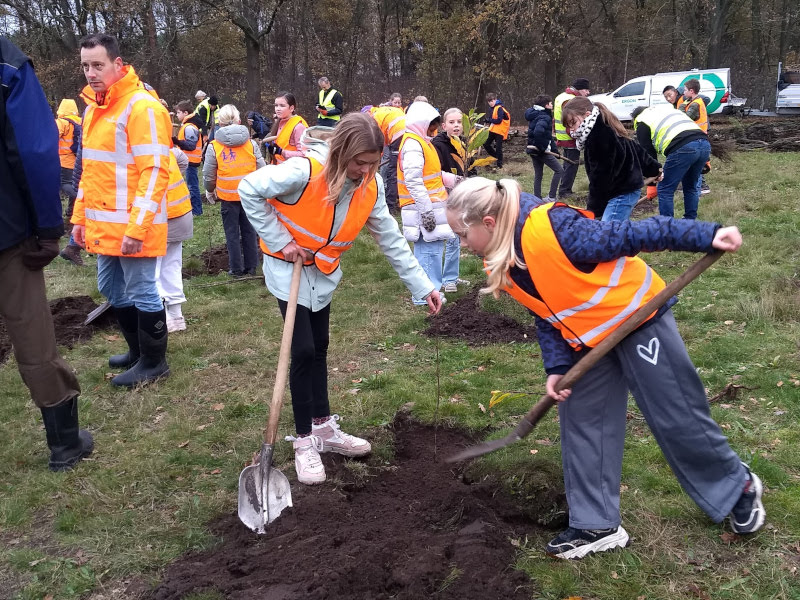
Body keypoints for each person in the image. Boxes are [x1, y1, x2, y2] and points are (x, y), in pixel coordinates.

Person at [445, 176, 765, 559]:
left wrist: (705, 234)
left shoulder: (555, 228)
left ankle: (736, 487)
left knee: (675, 412)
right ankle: (595, 523)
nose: (463, 246)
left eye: (463, 235)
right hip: (586, 341)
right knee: (582, 418)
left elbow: (634, 234)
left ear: (489, 222)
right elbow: (547, 311)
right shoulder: (504, 255)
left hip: (637, 319)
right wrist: (557, 366)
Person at [239, 112, 443, 484]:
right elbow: (249, 188)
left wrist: (422, 286)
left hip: (324, 273)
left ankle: (323, 429)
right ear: (341, 152)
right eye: (359, 163)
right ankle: (303, 441)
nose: (365, 171)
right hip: (289, 271)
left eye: (372, 163)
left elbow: (392, 239)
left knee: (319, 346)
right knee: (300, 350)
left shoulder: (372, 186)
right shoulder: (303, 171)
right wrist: (282, 241)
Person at [1, 37, 93, 471]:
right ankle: (65, 442)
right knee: (33, 336)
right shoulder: (5, 60)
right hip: (7, 233)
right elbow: (33, 149)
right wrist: (47, 227)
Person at [72, 32, 172, 388]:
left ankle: (154, 362)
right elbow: (92, 171)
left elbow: (155, 171)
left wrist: (137, 228)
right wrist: (80, 218)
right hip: (104, 224)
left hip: (133, 225)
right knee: (111, 288)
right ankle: (136, 352)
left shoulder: (142, 107)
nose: (90, 72)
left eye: (97, 65)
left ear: (117, 64)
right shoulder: (94, 108)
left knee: (143, 290)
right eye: (85, 65)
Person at [398, 101, 461, 305]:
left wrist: (456, 181)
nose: (433, 130)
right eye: (431, 126)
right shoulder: (413, 145)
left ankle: (429, 291)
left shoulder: (421, 143)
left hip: (430, 206)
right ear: (421, 123)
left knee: (432, 251)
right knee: (427, 252)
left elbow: (432, 175)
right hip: (421, 209)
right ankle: (425, 296)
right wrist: (426, 212)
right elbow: (413, 181)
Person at [561, 97, 662, 221]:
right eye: (568, 125)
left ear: (587, 115)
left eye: (573, 123)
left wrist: (594, 210)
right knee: (616, 233)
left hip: (621, 193)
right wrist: (655, 169)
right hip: (624, 191)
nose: (571, 129)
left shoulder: (598, 136)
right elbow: (636, 149)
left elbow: (600, 176)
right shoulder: (606, 125)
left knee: (608, 235)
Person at [203, 104, 265, 277]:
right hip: (250, 195)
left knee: (231, 233)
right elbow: (261, 168)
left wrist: (209, 190)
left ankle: (236, 269)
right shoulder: (251, 143)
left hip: (228, 197)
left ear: (220, 123)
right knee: (249, 231)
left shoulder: (214, 146)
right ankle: (252, 267)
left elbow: (209, 174)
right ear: (238, 120)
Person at [632, 105, 709, 220]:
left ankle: (668, 227)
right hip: (704, 144)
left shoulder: (642, 121)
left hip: (683, 147)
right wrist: (706, 159)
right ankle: (690, 221)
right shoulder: (666, 111)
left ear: (635, 118)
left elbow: (648, 155)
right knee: (691, 187)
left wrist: (652, 185)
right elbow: (692, 133)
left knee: (665, 188)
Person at [431, 107, 470, 293]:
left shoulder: (463, 144)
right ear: (444, 125)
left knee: (458, 235)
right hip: (444, 195)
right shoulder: (438, 145)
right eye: (452, 122)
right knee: (448, 236)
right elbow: (436, 172)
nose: (456, 126)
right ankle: (445, 280)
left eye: (459, 122)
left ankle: (451, 276)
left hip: (460, 193)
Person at [155, 147, 194, 332]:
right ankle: (177, 317)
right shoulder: (168, 150)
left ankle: (161, 318)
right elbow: (183, 160)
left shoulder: (139, 155)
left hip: (157, 220)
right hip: (180, 214)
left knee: (151, 271)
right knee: (172, 264)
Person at [55, 98, 85, 266]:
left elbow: (52, 138)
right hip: (76, 162)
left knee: (67, 187)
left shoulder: (61, 122)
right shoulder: (80, 121)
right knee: (74, 186)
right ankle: (71, 216)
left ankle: (82, 201)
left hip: (62, 162)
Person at [364, 103, 406, 215]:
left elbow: (378, 140)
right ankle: (401, 200)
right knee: (403, 169)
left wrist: (377, 157)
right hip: (409, 133)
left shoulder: (375, 118)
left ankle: (390, 206)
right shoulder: (383, 111)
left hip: (398, 135)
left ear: (368, 113)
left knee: (393, 172)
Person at [554, 78, 591, 198]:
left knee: (568, 164)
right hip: (570, 136)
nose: (588, 92)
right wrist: (578, 134)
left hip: (563, 136)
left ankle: (564, 189)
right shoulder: (570, 100)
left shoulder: (561, 96)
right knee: (572, 164)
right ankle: (565, 191)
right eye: (586, 89)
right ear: (579, 89)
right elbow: (571, 120)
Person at [524, 95, 563, 202]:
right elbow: (538, 132)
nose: (552, 105)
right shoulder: (544, 116)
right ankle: (551, 197)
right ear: (546, 105)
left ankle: (537, 198)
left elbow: (548, 136)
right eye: (551, 104)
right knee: (559, 170)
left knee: (538, 174)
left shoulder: (535, 114)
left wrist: (555, 151)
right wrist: (541, 148)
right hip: (541, 151)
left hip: (533, 150)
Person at [680, 78, 712, 195]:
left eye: (685, 90)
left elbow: (685, 119)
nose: (683, 93)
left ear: (692, 91)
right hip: (699, 137)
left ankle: (698, 190)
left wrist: (682, 106)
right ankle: (696, 189)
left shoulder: (694, 104)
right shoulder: (697, 101)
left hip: (697, 138)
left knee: (696, 167)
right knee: (696, 166)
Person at [173, 100, 204, 216]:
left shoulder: (189, 127)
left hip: (190, 161)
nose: (177, 115)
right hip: (188, 161)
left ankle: (196, 211)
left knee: (193, 187)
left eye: (178, 112)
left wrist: (176, 142)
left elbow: (191, 146)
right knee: (191, 185)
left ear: (185, 113)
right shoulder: (188, 126)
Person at [266, 92, 308, 164]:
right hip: (278, 168)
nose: (278, 109)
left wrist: (281, 151)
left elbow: (304, 154)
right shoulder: (280, 123)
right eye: (276, 105)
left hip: (292, 170)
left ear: (291, 108)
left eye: (282, 106)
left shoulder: (299, 127)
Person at [482, 92, 510, 169]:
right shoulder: (491, 109)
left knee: (498, 147)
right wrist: (488, 120)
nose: (490, 103)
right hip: (493, 129)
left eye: (492, 101)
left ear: (495, 99)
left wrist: (489, 120)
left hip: (500, 131)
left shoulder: (500, 108)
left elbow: (499, 120)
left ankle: (499, 165)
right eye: (489, 101)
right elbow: (492, 119)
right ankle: (497, 157)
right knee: (486, 144)